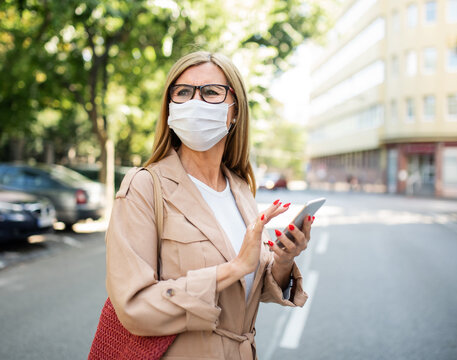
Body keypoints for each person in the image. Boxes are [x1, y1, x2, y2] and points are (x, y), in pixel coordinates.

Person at [105, 51, 313, 360]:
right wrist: (232, 269)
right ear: (169, 107)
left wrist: (281, 261)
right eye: (183, 92)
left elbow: (246, 289)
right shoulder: (144, 186)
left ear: (235, 111)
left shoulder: (240, 188)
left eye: (211, 92)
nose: (194, 103)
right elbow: (134, 307)